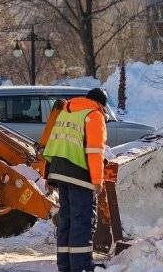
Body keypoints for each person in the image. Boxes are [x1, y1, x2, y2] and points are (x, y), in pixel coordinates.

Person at [42, 87, 109, 272]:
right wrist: (97, 181)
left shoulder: (67, 113)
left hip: (60, 173)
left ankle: (65, 265)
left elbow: (53, 143)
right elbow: (95, 151)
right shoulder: (94, 115)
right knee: (82, 223)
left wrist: (48, 175)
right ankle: (81, 266)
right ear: (101, 104)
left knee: (67, 222)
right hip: (80, 176)